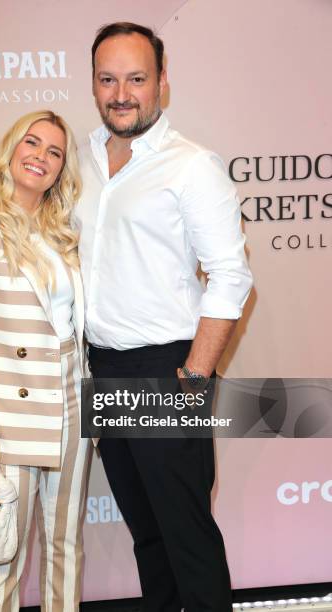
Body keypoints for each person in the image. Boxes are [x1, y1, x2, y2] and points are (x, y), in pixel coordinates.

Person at [74, 22, 253, 612]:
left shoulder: (191, 165)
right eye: (108, 79)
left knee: (185, 534)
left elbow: (231, 275)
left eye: (136, 78)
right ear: (94, 84)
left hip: (165, 369)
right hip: (103, 366)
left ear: (162, 83)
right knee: (147, 533)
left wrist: (195, 375)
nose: (120, 93)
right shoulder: (81, 161)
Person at [0, 110, 92, 611]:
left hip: (71, 405)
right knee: (3, 556)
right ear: (10, 150)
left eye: (55, 152)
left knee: (67, 547)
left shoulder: (63, 236)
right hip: (8, 416)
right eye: (32, 143)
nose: (41, 157)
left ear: (61, 169)